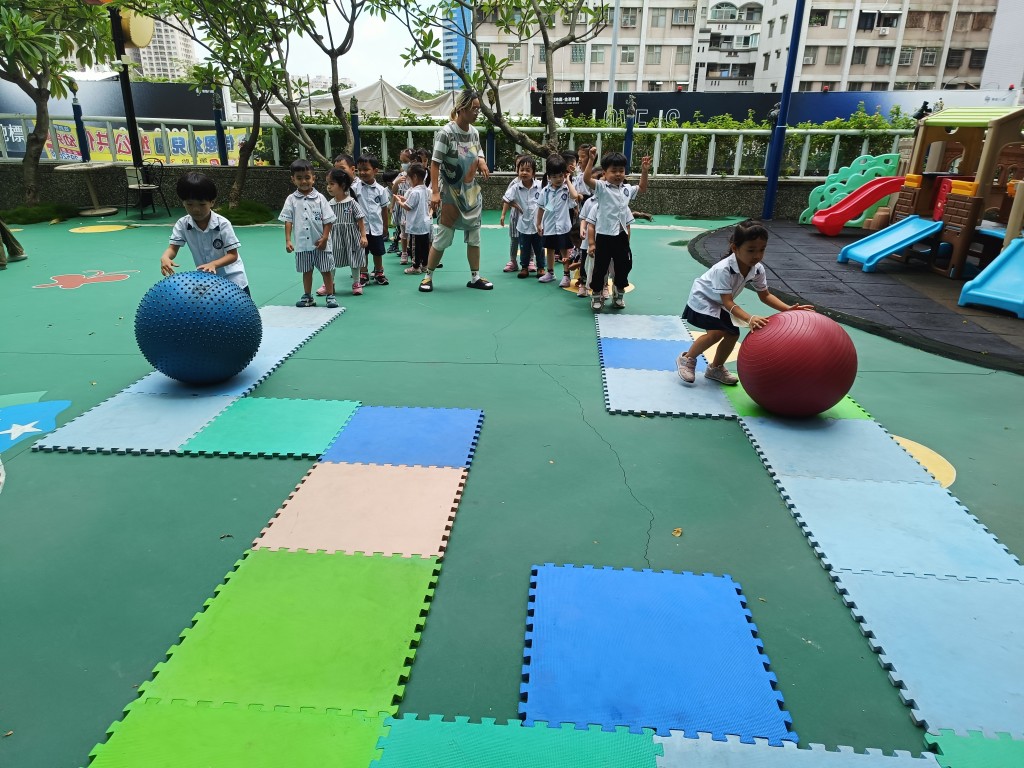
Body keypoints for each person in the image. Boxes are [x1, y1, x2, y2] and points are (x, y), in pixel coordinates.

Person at [676, 219, 813, 386]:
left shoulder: (757, 269)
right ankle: (687, 359)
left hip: (718, 302)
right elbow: (728, 302)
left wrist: (787, 309)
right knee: (716, 333)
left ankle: (715, 368)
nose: (757, 255)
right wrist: (749, 318)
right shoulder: (723, 269)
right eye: (751, 250)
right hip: (702, 299)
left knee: (732, 334)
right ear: (735, 248)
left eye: (762, 249)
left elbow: (765, 295)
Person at [418, 88, 492, 293]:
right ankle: (428, 276)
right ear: (461, 108)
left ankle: (475, 277)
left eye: (478, 109)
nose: (477, 112)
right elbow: (435, 163)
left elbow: (478, 150)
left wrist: (482, 161)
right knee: (444, 236)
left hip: (471, 191)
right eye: (473, 108)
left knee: (474, 235)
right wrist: (435, 192)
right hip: (450, 191)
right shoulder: (446, 133)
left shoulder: (474, 132)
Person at [160, 172, 250, 294]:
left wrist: (214, 264)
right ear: (183, 202)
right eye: (189, 204)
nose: (196, 209)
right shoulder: (182, 224)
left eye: (202, 204)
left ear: (212, 202)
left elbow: (233, 255)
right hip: (206, 279)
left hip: (233, 278)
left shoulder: (223, 224)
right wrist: (166, 257)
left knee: (241, 306)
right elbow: (172, 248)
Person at [582, 148, 645, 311]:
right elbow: (586, 179)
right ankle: (597, 295)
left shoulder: (627, 189)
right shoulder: (602, 187)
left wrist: (645, 171)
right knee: (600, 268)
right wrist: (591, 160)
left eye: (621, 170)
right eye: (614, 171)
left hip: (621, 236)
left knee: (623, 266)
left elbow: (642, 188)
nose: (618, 174)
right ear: (605, 173)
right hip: (604, 236)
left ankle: (618, 293)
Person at [280, 159, 337, 307]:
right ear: (293, 179)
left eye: (307, 177)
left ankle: (330, 295)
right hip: (302, 244)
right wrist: (288, 240)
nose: (304, 181)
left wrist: (325, 238)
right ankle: (308, 296)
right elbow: (288, 220)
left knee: (326, 270)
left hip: (320, 243)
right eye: (299, 178)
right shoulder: (291, 199)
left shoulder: (320, 198)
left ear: (313, 178)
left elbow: (329, 220)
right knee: (307, 271)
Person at [536, 153, 578, 286]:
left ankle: (566, 275)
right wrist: (538, 223)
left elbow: (575, 196)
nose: (558, 179)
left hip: (564, 226)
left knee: (565, 250)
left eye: (561, 175)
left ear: (564, 174)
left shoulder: (566, 189)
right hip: (549, 226)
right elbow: (541, 208)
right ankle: (550, 273)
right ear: (549, 177)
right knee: (550, 249)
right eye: (554, 176)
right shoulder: (545, 191)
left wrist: (568, 180)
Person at [326, 167, 367, 298]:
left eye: (332, 184)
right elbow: (326, 222)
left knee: (354, 259)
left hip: (352, 237)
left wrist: (363, 236)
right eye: (328, 184)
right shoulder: (329, 204)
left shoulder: (351, 202)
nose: (328, 187)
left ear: (342, 185)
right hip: (334, 237)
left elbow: (360, 219)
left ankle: (356, 283)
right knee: (331, 259)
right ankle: (329, 284)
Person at [502, 156, 544, 279]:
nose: (524, 173)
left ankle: (541, 268)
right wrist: (515, 206)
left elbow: (549, 198)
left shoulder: (540, 185)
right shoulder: (515, 187)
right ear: (518, 171)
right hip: (523, 225)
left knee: (539, 247)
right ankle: (524, 268)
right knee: (524, 247)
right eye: (521, 170)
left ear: (533, 173)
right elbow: (505, 198)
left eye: (527, 170)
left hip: (538, 224)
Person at [353, 153, 392, 286]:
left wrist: (385, 226)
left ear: (375, 171)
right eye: (359, 170)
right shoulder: (354, 188)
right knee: (362, 252)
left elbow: (384, 209)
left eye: (366, 169)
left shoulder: (381, 190)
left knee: (377, 252)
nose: (362, 172)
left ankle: (379, 272)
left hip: (376, 227)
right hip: (360, 229)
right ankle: (363, 274)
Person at [394, 163, 432, 275]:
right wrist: (404, 199)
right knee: (424, 246)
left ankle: (415, 267)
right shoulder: (425, 189)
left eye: (409, 179)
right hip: (424, 224)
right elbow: (414, 203)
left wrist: (399, 201)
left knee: (415, 246)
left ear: (414, 177)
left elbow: (408, 207)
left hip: (416, 224)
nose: (408, 182)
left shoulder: (414, 191)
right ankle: (425, 265)